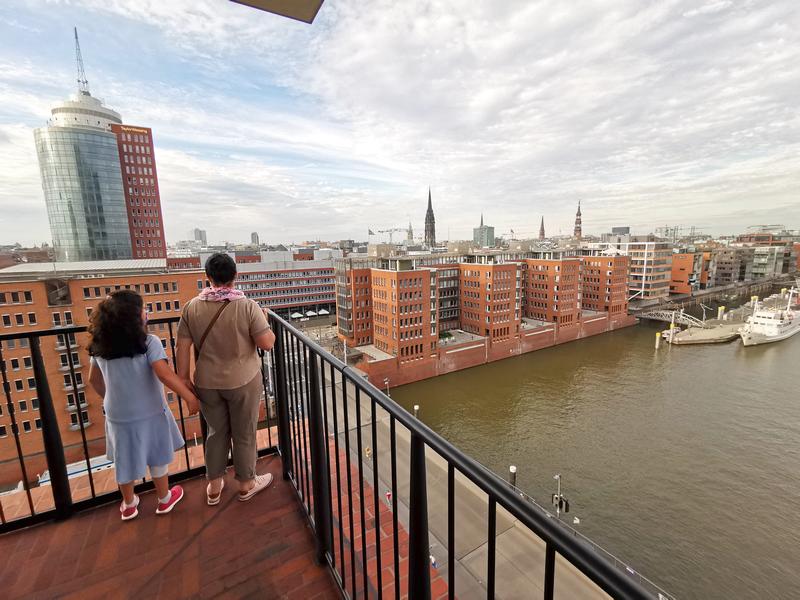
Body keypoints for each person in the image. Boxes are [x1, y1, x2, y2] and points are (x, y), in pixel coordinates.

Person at [88, 290, 199, 521]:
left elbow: (94, 380)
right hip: (150, 411)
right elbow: (165, 375)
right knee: (157, 454)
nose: (146, 312)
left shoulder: (100, 345)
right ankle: (164, 499)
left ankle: (129, 504)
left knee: (123, 457)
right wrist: (189, 396)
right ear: (134, 316)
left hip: (117, 413)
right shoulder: (149, 343)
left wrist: (110, 398)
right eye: (143, 308)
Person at [176, 252, 276, 505]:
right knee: (244, 433)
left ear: (207, 277)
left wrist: (185, 381)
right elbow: (266, 343)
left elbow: (182, 348)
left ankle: (214, 485)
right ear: (235, 276)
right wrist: (265, 321)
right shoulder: (247, 306)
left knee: (216, 431)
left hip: (207, 382)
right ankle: (246, 484)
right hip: (243, 379)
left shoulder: (191, 307)